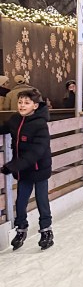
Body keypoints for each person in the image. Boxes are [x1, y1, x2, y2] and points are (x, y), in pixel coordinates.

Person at [1, 87, 54, 250]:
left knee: (41, 200)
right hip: (23, 170)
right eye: (20, 102)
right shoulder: (15, 120)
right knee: (21, 201)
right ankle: (21, 229)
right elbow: (3, 128)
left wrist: (13, 166)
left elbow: (36, 152)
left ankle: (46, 231)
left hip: (39, 169)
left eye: (26, 103)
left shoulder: (40, 125)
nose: (22, 105)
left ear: (35, 106)